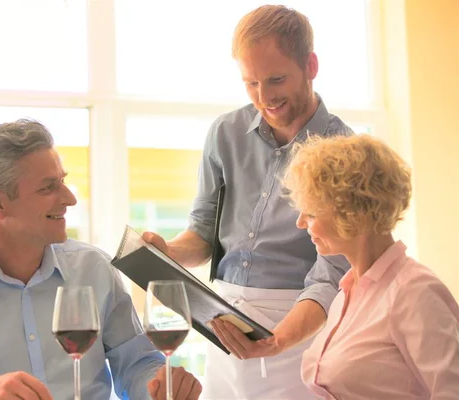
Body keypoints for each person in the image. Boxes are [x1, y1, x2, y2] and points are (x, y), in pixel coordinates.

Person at [0, 119, 202, 400]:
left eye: (63, 181)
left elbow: (138, 364)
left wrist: (159, 386)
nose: (70, 199)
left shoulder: (94, 268)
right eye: (49, 187)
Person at [142, 5, 353, 399]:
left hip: (298, 329)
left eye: (276, 79)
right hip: (221, 323)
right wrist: (168, 252)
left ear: (311, 65)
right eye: (250, 83)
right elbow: (204, 231)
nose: (264, 97)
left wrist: (276, 342)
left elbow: (331, 277)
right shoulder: (225, 133)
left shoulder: (343, 151)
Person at [282, 134, 459, 399]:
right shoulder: (345, 295)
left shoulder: (415, 292)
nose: (300, 223)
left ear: (353, 211)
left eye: (313, 212)